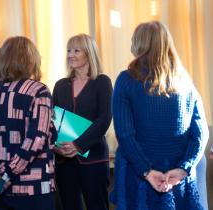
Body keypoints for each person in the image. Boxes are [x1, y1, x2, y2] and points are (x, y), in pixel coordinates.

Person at [110, 20, 209, 210]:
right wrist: (183, 168)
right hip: (176, 176)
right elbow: (201, 134)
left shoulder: (126, 80)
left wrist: (146, 170)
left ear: (140, 44)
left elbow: (124, 134)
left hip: (138, 174)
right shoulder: (185, 81)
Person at [0, 36, 57, 210]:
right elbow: (36, 140)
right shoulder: (39, 91)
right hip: (33, 190)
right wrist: (4, 175)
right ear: (31, 60)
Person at [53, 33, 113, 210]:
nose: (70, 54)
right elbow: (52, 119)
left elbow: (105, 119)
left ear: (89, 53)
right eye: (68, 50)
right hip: (64, 160)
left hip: (94, 159)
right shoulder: (60, 85)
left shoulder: (102, 82)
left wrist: (78, 145)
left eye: (76, 50)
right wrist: (57, 147)